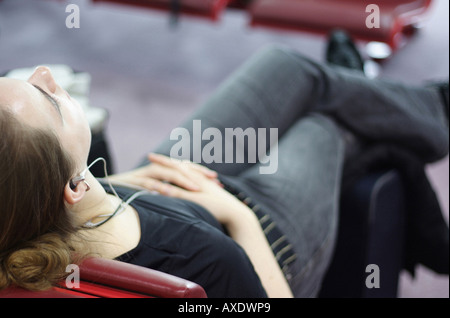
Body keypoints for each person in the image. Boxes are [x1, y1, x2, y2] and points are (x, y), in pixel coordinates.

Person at [0, 35, 448, 298]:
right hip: (264, 234)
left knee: (288, 68)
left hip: (156, 184)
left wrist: (107, 184)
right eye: (48, 101)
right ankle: (379, 94)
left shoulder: (28, 215)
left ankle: (388, 96)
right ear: (71, 187)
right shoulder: (209, 262)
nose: (44, 73)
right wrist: (240, 215)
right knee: (328, 124)